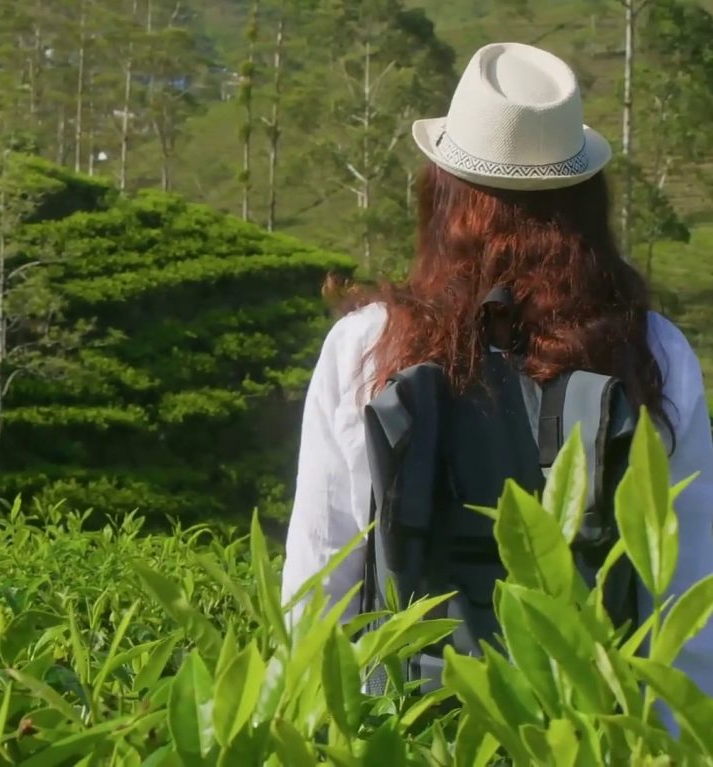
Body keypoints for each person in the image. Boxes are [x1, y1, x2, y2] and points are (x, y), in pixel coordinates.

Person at [280, 41, 713, 718]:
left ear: (443, 194)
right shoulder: (651, 351)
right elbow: (687, 585)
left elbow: (321, 565)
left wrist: (310, 732)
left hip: (406, 723)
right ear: (586, 203)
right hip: (588, 728)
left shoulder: (367, 345)